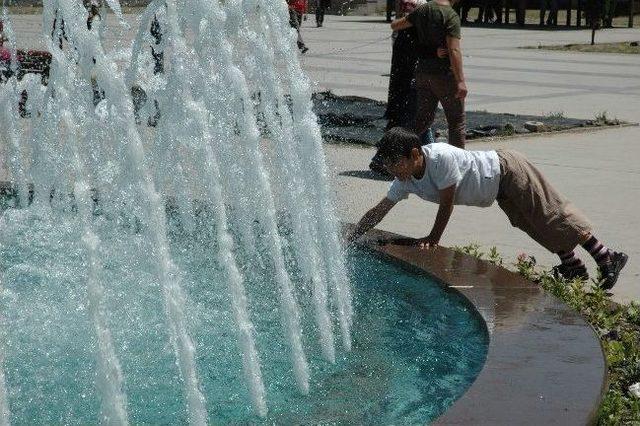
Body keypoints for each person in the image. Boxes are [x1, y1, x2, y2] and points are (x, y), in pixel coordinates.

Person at [347, 127, 628, 289]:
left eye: (395, 164)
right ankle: (573, 267)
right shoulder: (406, 179)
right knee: (532, 224)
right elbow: (380, 209)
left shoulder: (440, 158)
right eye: (388, 167)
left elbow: (447, 204)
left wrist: (433, 239)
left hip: (507, 170)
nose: (393, 172)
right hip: (498, 189)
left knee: (550, 214)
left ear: (415, 155)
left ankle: (607, 257)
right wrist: (353, 235)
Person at [390, 0, 467, 149]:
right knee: (456, 121)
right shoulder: (450, 15)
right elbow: (454, 50)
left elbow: (395, 25)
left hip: (423, 74)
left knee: (422, 121)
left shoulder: (423, 9)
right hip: (444, 76)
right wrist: (460, 81)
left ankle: (395, 151)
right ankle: (458, 164)